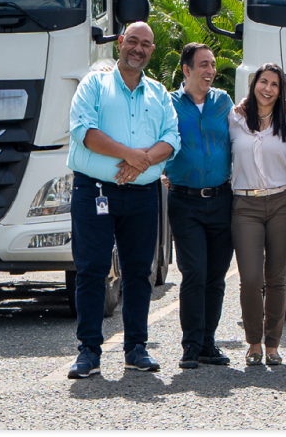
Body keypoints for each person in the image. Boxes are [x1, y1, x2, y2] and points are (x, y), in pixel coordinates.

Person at [66, 22, 179, 379]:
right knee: (91, 271)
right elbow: (84, 132)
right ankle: (88, 352)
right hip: (95, 193)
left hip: (143, 196)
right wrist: (132, 156)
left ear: (151, 50)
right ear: (120, 43)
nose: (138, 49)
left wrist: (140, 161)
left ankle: (136, 348)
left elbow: (172, 138)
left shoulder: (159, 93)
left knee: (138, 273)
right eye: (133, 41)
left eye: (146, 44)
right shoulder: (93, 84)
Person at [165, 43, 234, 369]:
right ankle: (190, 345)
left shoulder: (224, 101)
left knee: (216, 276)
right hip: (185, 201)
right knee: (194, 272)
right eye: (203, 65)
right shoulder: (169, 103)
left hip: (222, 200)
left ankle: (209, 342)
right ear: (186, 70)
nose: (210, 71)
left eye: (212, 65)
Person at [230, 63, 286, 367]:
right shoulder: (235, 118)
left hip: (282, 203)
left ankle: (272, 345)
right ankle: (253, 342)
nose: (267, 89)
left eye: (274, 84)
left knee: (276, 278)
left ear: (281, 91)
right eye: (263, 82)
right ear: (253, 84)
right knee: (251, 277)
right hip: (245, 206)